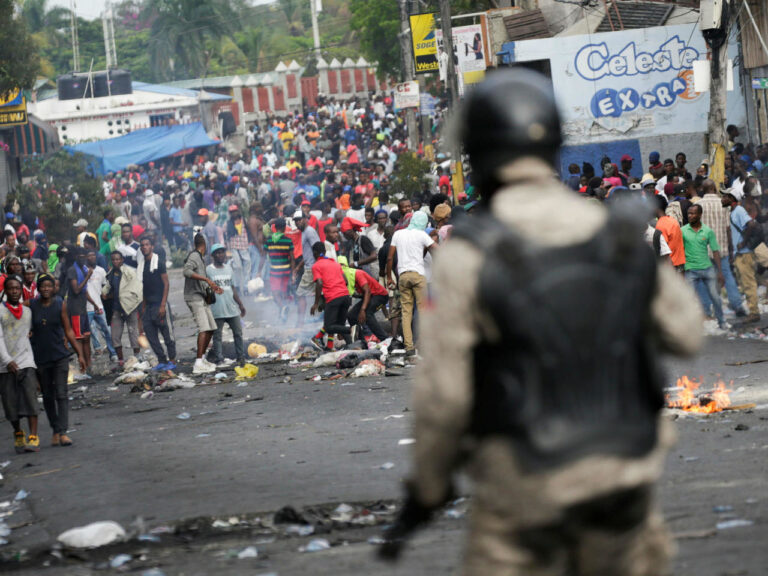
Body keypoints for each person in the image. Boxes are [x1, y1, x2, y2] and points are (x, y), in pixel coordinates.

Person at [379, 69, 703, 576]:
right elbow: (686, 332)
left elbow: (444, 397)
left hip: (525, 488)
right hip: (622, 480)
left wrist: (426, 490)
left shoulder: (469, 252)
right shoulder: (610, 231)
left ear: (480, 154)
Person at [30, 274, 86, 447]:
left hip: (60, 355)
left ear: (54, 288)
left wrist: (80, 354)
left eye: (50, 286)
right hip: (40, 358)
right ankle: (55, 429)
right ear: (38, 289)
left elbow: (68, 330)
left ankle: (62, 432)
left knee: (61, 394)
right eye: (43, 286)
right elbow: (13, 309)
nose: (46, 289)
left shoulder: (60, 305)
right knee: (47, 395)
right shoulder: (31, 305)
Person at [385, 211, 436, 358]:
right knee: (423, 311)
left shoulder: (398, 234)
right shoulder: (421, 235)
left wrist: (389, 277)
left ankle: (409, 347)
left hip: (403, 276)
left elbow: (389, 258)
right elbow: (436, 249)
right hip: (419, 276)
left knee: (406, 313)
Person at [0, 276, 40, 453]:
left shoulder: (28, 312)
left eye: (17, 288)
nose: (15, 291)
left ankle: (33, 436)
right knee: (10, 403)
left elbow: (29, 332)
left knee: (31, 398)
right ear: (5, 291)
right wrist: (7, 360)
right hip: (5, 364)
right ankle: (18, 432)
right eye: (11, 288)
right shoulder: (0, 311)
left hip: (26, 361)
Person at [698, 179, 744, 315]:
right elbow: (728, 228)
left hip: (703, 250)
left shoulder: (697, 205)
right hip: (721, 248)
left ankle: (706, 309)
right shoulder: (723, 204)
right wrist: (731, 249)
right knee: (727, 276)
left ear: (703, 189)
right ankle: (737, 305)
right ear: (714, 189)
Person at [682, 204, 728, 330]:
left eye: (693, 213)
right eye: (689, 213)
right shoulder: (683, 231)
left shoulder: (708, 231)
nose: (690, 216)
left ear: (700, 215)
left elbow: (715, 251)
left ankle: (722, 321)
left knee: (715, 297)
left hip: (707, 269)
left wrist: (720, 272)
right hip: (690, 270)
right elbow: (679, 250)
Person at [184, 233, 222, 374]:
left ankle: (203, 358)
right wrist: (206, 280)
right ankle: (198, 363)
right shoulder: (194, 256)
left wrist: (212, 288)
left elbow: (200, 280)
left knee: (211, 327)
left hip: (201, 297)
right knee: (204, 328)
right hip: (193, 297)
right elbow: (186, 271)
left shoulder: (200, 258)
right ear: (204, 244)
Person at [722, 187, 761, 323]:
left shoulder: (739, 211)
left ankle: (754, 312)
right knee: (745, 283)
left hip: (745, 254)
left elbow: (750, 224)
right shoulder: (733, 212)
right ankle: (752, 309)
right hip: (739, 254)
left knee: (748, 283)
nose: (723, 199)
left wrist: (743, 242)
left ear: (732, 198)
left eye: (725, 196)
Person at [139, 235, 177, 371]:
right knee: (150, 334)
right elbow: (143, 288)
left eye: (147, 244)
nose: (144, 247)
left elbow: (166, 284)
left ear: (152, 246)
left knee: (167, 334)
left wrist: (162, 305)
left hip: (159, 304)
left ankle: (172, 359)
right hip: (148, 305)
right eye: (142, 245)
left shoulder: (159, 262)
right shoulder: (142, 265)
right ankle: (162, 360)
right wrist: (143, 308)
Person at [207, 244, 247, 367]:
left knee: (238, 333)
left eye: (222, 252)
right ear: (213, 255)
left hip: (231, 308)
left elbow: (232, 288)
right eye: (217, 253)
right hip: (216, 309)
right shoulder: (208, 270)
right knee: (217, 336)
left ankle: (240, 357)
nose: (220, 255)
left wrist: (240, 304)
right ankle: (219, 359)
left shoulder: (229, 269)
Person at [310, 242, 352, 350]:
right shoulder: (335, 263)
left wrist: (315, 303)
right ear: (324, 252)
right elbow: (346, 281)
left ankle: (351, 329)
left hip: (333, 298)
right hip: (346, 297)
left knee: (329, 327)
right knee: (334, 325)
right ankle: (330, 347)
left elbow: (319, 283)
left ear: (314, 253)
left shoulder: (316, 266)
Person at [102, 251, 142, 366]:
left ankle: (137, 357)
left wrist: (136, 304)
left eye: (118, 259)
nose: (116, 261)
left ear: (122, 260)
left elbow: (137, 289)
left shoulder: (129, 272)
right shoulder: (111, 273)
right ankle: (120, 360)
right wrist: (104, 293)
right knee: (115, 335)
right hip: (117, 309)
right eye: (113, 259)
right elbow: (108, 287)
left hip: (130, 308)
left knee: (133, 333)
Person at [85, 249, 117, 362]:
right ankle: (90, 355)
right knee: (89, 332)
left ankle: (113, 353)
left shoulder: (101, 271)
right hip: (87, 308)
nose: (92, 257)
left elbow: (106, 287)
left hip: (99, 306)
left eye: (93, 254)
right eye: (89, 255)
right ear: (85, 257)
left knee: (107, 330)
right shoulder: (82, 271)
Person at [65, 248, 92, 376]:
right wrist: (87, 277)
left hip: (83, 308)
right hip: (75, 309)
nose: (82, 258)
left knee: (87, 338)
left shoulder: (84, 268)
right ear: (76, 257)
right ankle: (82, 369)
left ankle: (89, 366)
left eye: (84, 256)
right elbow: (76, 290)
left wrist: (95, 305)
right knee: (79, 339)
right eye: (80, 256)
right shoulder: (72, 270)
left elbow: (85, 291)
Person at [346, 264, 389, 344]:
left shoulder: (358, 274)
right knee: (351, 315)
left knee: (367, 314)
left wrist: (362, 309)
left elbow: (367, 291)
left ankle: (384, 339)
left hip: (380, 296)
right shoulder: (347, 279)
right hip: (370, 297)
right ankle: (361, 341)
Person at [265, 218, 296, 314]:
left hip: (274, 272)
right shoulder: (288, 241)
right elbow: (292, 258)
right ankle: (283, 312)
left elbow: (263, 256)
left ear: (274, 228)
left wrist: (258, 271)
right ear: (284, 228)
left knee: (275, 293)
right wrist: (293, 273)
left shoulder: (269, 240)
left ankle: (282, 307)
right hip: (286, 271)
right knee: (283, 293)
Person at [225, 205, 252, 292]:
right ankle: (236, 286)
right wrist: (227, 250)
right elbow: (227, 237)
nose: (234, 213)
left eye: (235, 211)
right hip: (234, 246)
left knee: (248, 263)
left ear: (238, 211)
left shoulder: (244, 220)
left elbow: (248, 231)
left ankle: (246, 287)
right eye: (232, 212)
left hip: (244, 245)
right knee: (238, 267)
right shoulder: (228, 223)